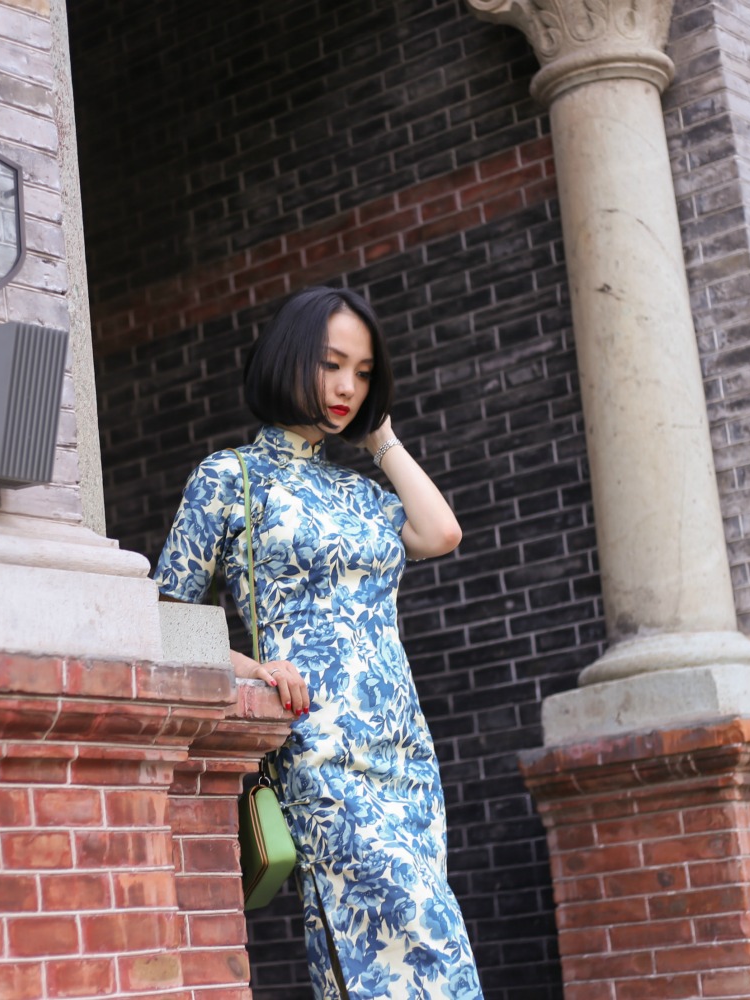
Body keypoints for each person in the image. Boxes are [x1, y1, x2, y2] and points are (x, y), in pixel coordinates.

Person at [153, 286, 484, 1000]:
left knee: (425, 938)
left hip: (401, 748)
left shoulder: (362, 491)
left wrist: (382, 438)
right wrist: (252, 668)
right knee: (397, 937)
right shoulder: (230, 479)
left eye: (363, 373)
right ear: (291, 357)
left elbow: (441, 534)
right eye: (332, 364)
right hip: (319, 746)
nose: (346, 387)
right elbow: (166, 615)